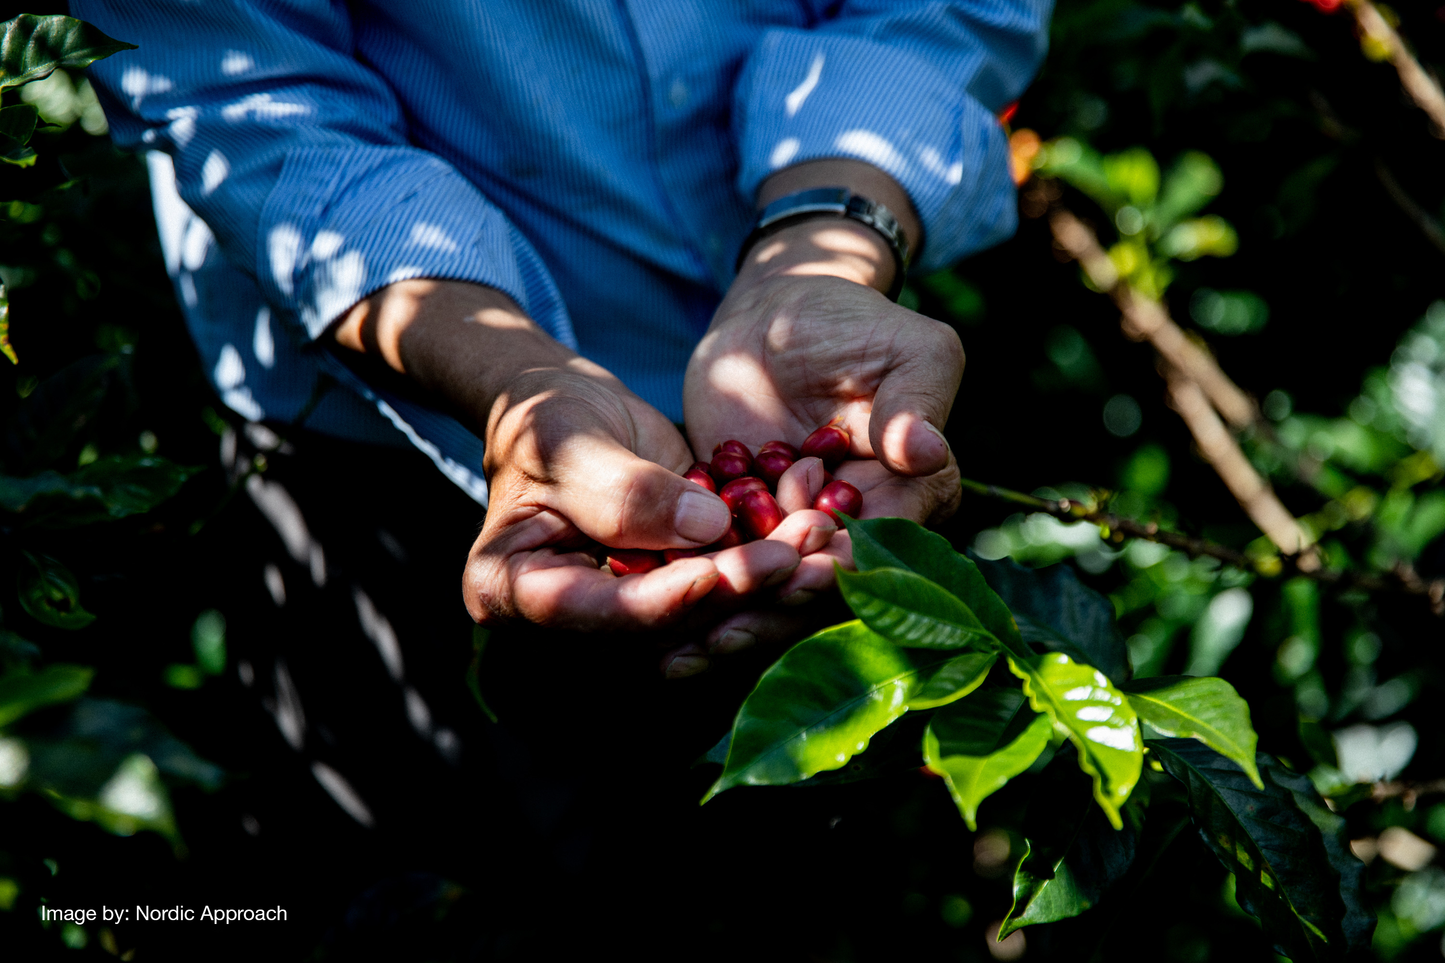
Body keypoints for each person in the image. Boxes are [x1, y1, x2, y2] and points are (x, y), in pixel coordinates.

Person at [73, 2, 1051, 678]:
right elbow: (245, 94)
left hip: (826, 365)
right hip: (381, 441)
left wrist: (817, 254)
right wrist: (513, 387)